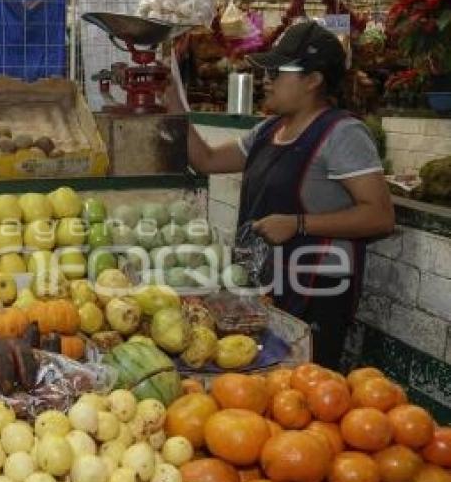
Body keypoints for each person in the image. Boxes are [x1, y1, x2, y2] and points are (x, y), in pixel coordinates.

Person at [165, 21, 395, 370]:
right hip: (262, 290)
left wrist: (298, 224)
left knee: (303, 396)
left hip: (314, 295)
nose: (266, 78)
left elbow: (380, 216)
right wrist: (171, 99)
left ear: (313, 80)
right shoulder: (268, 130)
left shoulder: (343, 134)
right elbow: (206, 159)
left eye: (277, 71)